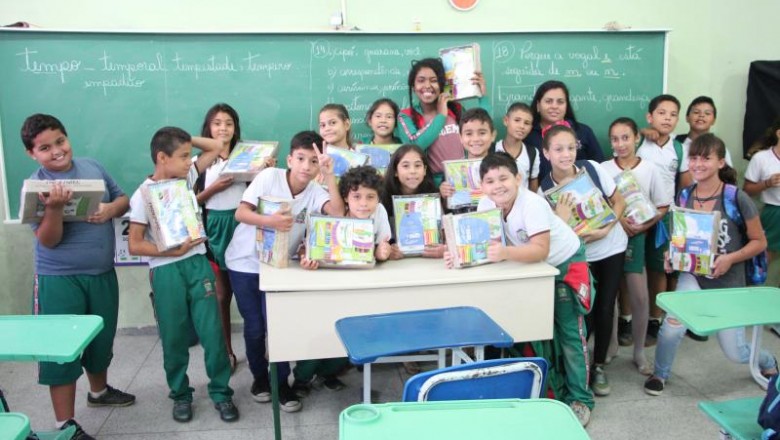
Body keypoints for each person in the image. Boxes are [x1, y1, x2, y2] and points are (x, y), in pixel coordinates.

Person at [444, 151, 594, 426]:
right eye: (490, 181)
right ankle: (551, 391)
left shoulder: (532, 204)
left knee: (570, 335)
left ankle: (581, 400)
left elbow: (540, 249)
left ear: (518, 178)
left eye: (504, 178)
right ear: (482, 186)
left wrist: (504, 253)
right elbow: (482, 246)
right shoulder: (486, 204)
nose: (497, 185)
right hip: (530, 270)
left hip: (563, 265)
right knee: (537, 333)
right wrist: (458, 255)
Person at [22, 114, 134, 439]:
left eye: (60, 141)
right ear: (33, 154)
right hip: (58, 278)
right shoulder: (36, 187)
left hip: (100, 273)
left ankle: (98, 393)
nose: (57, 151)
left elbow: (122, 199)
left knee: (101, 339)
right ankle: (65, 424)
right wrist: (54, 209)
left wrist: (111, 210)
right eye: (45, 148)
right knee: (60, 349)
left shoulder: (92, 167)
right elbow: (48, 240)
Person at [643, 133, 778, 395]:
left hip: (729, 282)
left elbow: (759, 242)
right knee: (672, 327)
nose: (698, 164)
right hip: (693, 276)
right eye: (693, 158)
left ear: (720, 163)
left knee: (735, 351)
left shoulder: (736, 198)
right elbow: (679, 237)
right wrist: (672, 255)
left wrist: (729, 258)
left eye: (706, 158)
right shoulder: (684, 196)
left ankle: (768, 361)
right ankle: (660, 374)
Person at [224, 130, 343, 412]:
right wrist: (270, 220)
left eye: (314, 161)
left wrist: (330, 176)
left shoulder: (316, 190)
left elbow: (337, 213)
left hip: (279, 268)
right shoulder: (269, 177)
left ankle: (281, 383)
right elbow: (241, 213)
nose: (306, 166)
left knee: (277, 327)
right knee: (254, 329)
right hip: (244, 263)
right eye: (301, 158)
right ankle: (259, 380)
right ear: (290, 159)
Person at [127, 127, 238, 423]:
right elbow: (135, 243)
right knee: (174, 338)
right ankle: (180, 394)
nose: (191, 162)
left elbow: (216, 146)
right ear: (162, 158)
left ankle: (221, 393)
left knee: (212, 334)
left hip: (197, 264)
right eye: (184, 156)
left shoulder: (186, 179)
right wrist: (170, 252)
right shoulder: (143, 194)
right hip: (166, 270)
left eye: (190, 155)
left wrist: (186, 137)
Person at [540, 124, 627, 397]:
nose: (566, 154)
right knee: (582, 311)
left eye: (570, 147)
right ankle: (580, 364)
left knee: (605, 308)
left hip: (611, 246)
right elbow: (554, 230)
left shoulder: (591, 167)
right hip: (580, 256)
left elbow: (619, 201)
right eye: (558, 149)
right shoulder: (544, 189)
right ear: (546, 153)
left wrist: (607, 227)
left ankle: (598, 365)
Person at [295, 165, 392, 393]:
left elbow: (384, 245)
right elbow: (306, 247)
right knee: (322, 333)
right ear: (346, 198)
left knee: (351, 335)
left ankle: (329, 373)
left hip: (362, 285)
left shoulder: (379, 213)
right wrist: (307, 258)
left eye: (370, 197)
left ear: (378, 199)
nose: (364, 203)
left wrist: (382, 252)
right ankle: (302, 378)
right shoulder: (332, 215)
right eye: (356, 196)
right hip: (329, 286)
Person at [601, 117, 671, 375]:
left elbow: (662, 205)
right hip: (609, 238)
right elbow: (598, 206)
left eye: (625, 138)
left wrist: (644, 225)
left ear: (636, 138)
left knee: (640, 296)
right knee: (609, 297)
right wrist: (617, 220)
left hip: (637, 237)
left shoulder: (650, 168)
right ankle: (611, 346)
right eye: (615, 139)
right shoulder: (603, 168)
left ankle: (639, 352)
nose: (620, 144)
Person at [195, 103, 252, 373]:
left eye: (228, 123)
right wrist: (213, 189)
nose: (223, 128)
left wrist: (262, 170)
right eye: (217, 123)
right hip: (213, 228)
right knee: (220, 295)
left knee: (248, 293)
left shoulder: (248, 155)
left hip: (242, 226)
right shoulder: (199, 162)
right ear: (208, 127)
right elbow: (188, 202)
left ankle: (259, 347)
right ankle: (226, 351)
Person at [636, 94, 691, 346]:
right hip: (636, 215)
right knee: (636, 267)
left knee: (660, 268)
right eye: (661, 113)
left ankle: (654, 320)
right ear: (650, 117)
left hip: (665, 216)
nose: (667, 118)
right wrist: (642, 131)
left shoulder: (679, 148)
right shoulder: (639, 141)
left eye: (672, 114)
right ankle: (631, 318)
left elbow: (685, 186)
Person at [397, 57, 489, 184]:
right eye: (421, 81)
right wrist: (441, 116)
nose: (427, 86)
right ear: (413, 86)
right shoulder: (406, 116)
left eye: (434, 81)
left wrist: (482, 95)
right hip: (432, 184)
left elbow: (483, 126)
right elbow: (414, 145)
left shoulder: (455, 109)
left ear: (441, 85)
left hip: (465, 179)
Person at [527, 80, 604, 178]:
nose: (554, 106)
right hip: (542, 191)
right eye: (548, 101)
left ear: (566, 105)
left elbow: (600, 167)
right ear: (538, 105)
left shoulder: (583, 132)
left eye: (560, 102)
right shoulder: (528, 135)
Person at [439, 108, 495, 212]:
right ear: (460, 137)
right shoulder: (451, 171)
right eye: (469, 134)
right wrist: (444, 195)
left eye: (482, 133)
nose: (475, 139)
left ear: (493, 135)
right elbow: (447, 209)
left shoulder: (502, 167)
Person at [744, 117, 780, 272]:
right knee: (762, 263)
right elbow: (746, 190)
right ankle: (755, 292)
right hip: (773, 212)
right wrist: (767, 183)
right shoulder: (761, 158)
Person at [673, 96, 733, 166]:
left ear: (714, 120)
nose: (701, 115)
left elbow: (727, 175)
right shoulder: (674, 142)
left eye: (707, 113)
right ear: (687, 118)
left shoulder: (719, 148)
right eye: (696, 112)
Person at [496, 102, 540, 191]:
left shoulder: (532, 152)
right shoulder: (493, 149)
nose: (521, 126)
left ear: (531, 127)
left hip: (523, 203)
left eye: (527, 123)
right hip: (498, 203)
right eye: (517, 120)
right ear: (506, 121)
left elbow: (533, 180)